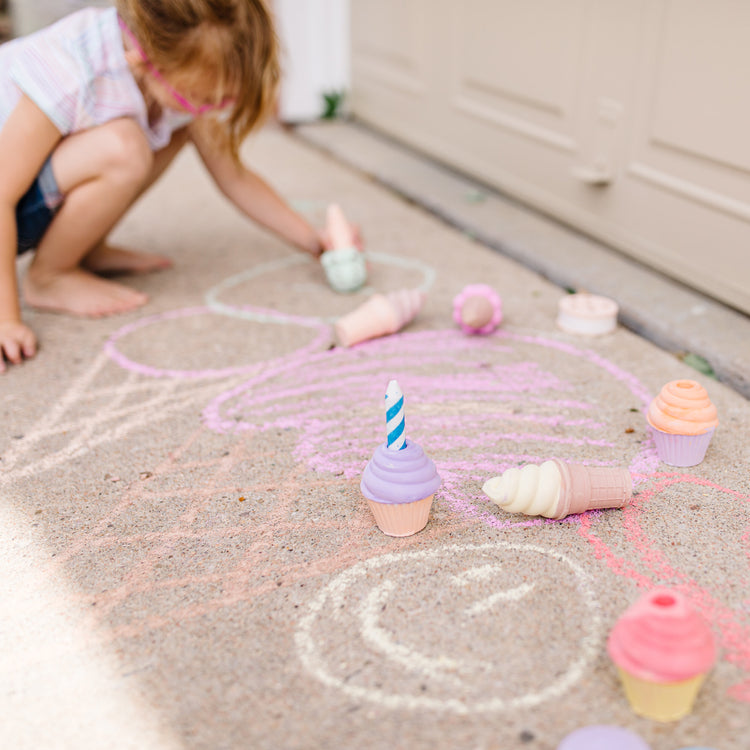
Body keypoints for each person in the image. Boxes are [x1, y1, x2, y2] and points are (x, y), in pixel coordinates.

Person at [0, 0, 332, 373]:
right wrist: (6, 319)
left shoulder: (173, 62)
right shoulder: (71, 70)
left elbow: (234, 175)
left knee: (168, 132)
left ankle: (84, 249)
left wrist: (315, 241)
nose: (213, 109)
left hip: (34, 194)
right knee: (124, 147)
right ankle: (50, 276)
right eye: (206, 99)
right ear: (144, 63)